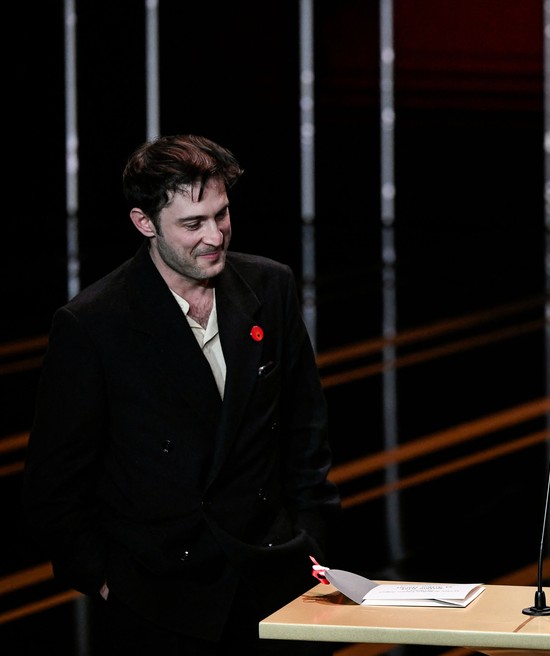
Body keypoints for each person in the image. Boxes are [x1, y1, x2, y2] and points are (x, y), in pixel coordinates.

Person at [23, 134, 341, 654]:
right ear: (144, 224)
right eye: (192, 224)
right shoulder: (94, 325)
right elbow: (52, 485)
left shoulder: (271, 286)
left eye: (221, 214)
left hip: (276, 584)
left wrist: (312, 540)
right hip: (160, 602)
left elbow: (306, 434)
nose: (215, 236)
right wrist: (107, 580)